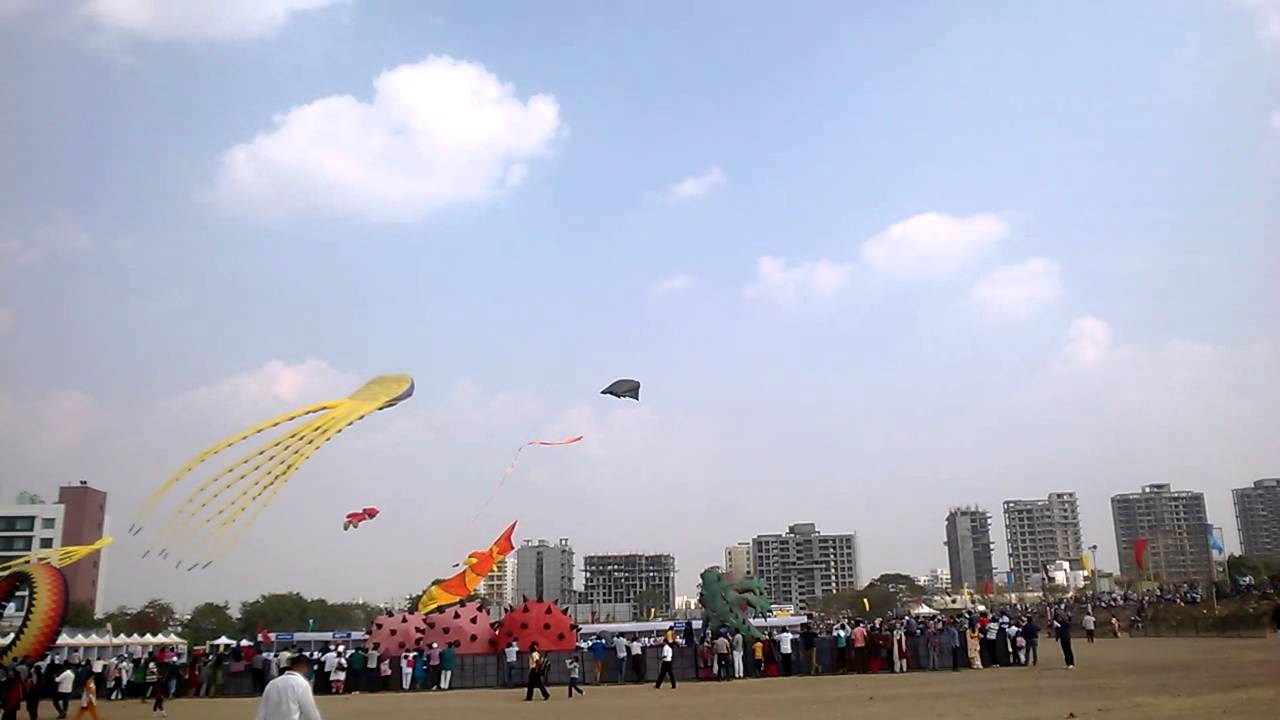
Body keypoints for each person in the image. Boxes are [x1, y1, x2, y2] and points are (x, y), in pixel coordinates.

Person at [256, 654, 321, 720]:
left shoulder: (272, 683)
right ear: (304, 666)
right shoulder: (302, 684)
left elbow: (262, 712)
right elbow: (311, 714)